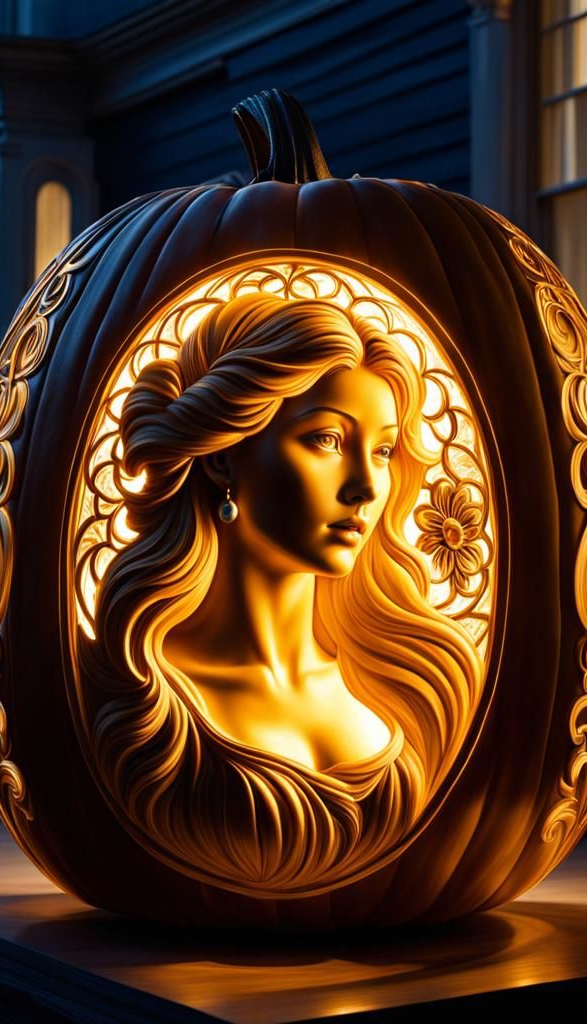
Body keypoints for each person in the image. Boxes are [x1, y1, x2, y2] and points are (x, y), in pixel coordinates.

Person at [81, 292, 483, 890]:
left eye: (382, 450)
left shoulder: (420, 679)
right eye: (326, 440)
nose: (366, 486)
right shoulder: (133, 693)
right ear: (223, 457)